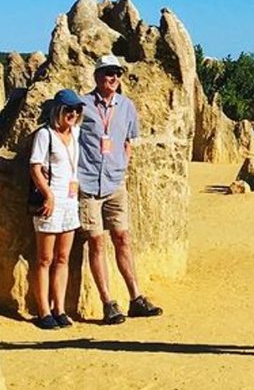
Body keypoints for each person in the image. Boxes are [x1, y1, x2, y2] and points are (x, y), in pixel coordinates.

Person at [77, 54, 163, 324]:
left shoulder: (126, 106)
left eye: (116, 73)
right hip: (88, 182)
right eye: (107, 73)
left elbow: (128, 140)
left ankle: (136, 297)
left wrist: (122, 165)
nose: (112, 78)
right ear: (97, 76)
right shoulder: (83, 104)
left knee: (123, 239)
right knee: (97, 242)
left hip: (115, 183)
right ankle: (108, 303)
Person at [29, 88, 85, 330]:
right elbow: (35, 167)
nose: (73, 114)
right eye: (68, 110)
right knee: (44, 258)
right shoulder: (45, 135)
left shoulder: (76, 134)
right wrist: (48, 195)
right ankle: (43, 311)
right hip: (50, 201)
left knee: (63, 258)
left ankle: (59, 308)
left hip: (70, 202)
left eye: (76, 110)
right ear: (58, 111)